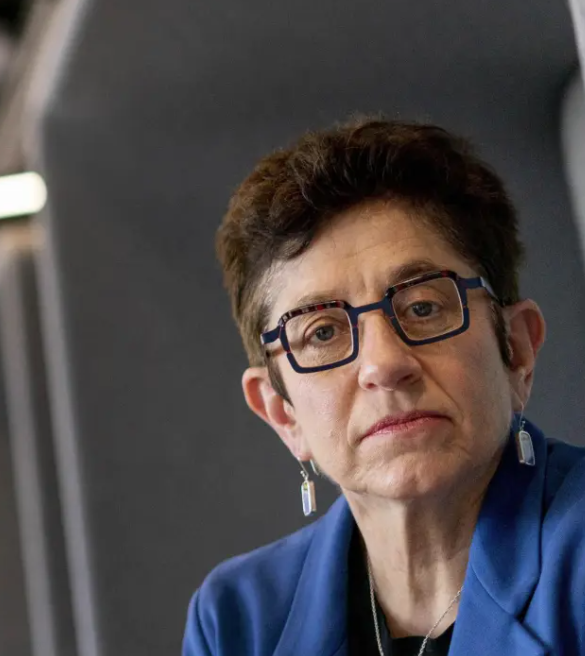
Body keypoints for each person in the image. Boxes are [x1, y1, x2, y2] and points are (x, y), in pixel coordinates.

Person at [183, 118, 585, 656]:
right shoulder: (235, 621)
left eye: (423, 307)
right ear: (283, 413)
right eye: (322, 332)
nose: (384, 364)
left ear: (517, 350)